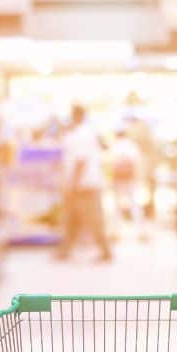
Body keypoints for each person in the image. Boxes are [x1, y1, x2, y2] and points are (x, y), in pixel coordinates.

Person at [56, 105, 112, 261]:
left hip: (84, 185)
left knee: (92, 219)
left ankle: (106, 251)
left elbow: (81, 161)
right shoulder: (79, 134)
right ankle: (64, 251)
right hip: (81, 184)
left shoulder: (82, 135)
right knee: (71, 219)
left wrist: (72, 185)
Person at [109, 130, 144, 229]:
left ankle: (116, 230)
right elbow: (136, 163)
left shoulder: (115, 146)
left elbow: (112, 164)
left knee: (117, 204)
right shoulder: (132, 145)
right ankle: (140, 229)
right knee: (134, 203)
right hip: (130, 178)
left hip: (118, 179)